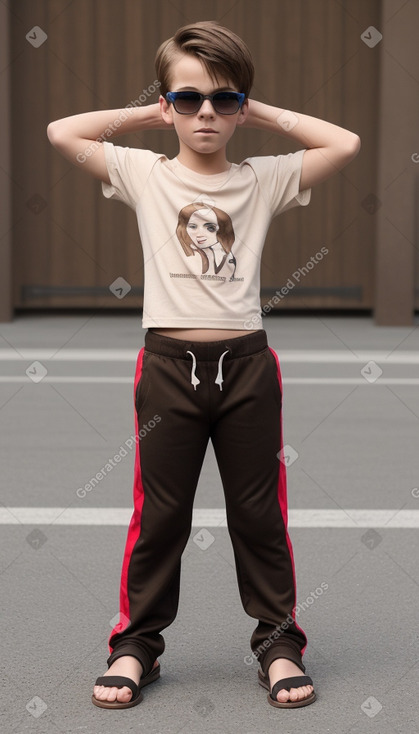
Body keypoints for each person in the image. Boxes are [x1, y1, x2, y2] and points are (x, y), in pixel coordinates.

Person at [47, 19, 360, 710]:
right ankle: (135, 644)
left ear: (240, 106)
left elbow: (345, 142)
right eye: (187, 101)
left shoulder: (264, 179)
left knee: (258, 515)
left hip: (246, 368)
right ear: (168, 106)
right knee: (159, 516)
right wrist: (150, 112)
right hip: (166, 367)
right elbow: (62, 132)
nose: (206, 114)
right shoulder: (143, 171)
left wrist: (261, 108)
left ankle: (278, 645)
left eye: (223, 100)